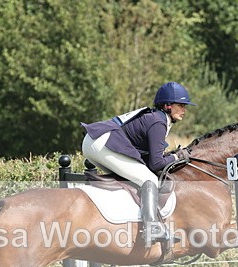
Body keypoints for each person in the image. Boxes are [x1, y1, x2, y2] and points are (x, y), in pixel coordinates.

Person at [80, 81, 194, 244]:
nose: (185, 110)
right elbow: (156, 164)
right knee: (149, 180)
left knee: (135, 177)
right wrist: (177, 157)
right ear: (168, 105)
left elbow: (150, 160)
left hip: (94, 141)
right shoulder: (158, 121)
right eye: (181, 105)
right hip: (101, 142)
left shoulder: (156, 117)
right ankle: (151, 228)